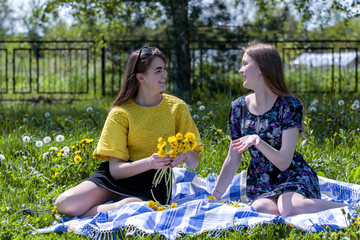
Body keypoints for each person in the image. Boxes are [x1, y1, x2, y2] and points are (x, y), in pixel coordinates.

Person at [55, 46, 204, 218]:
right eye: (158, 70)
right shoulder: (121, 113)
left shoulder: (177, 107)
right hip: (116, 179)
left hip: (154, 185)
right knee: (65, 203)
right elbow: (116, 171)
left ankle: (125, 205)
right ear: (141, 77)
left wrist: (185, 154)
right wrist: (149, 162)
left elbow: (194, 162)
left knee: (79, 208)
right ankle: (119, 206)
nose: (165, 74)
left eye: (164, 69)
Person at [212, 41, 346, 217]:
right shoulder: (238, 107)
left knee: (289, 208)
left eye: (245, 64)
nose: (240, 70)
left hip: (293, 175)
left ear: (261, 68)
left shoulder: (289, 105)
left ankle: (347, 208)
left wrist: (257, 141)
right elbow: (233, 158)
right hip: (262, 181)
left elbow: (284, 162)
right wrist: (214, 197)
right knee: (261, 209)